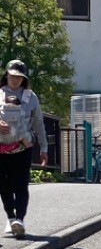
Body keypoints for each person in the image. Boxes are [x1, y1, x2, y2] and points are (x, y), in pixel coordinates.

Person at [0, 59, 48, 239]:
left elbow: (38, 124)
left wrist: (44, 148)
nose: (15, 80)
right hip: (1, 149)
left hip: (22, 148)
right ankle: (11, 218)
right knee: (3, 186)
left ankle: (19, 219)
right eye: (13, 76)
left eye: (19, 77)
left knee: (20, 185)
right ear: (7, 75)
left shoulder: (30, 97)